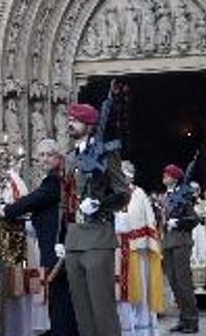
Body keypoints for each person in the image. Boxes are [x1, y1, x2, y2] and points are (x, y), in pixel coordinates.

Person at [60, 102, 129, 336]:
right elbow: (65, 200)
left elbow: (123, 194)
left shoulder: (107, 154)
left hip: (98, 236)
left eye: (76, 120)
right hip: (74, 238)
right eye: (70, 118)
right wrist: (62, 237)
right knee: (82, 310)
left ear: (89, 125)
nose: (71, 123)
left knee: (102, 309)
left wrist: (100, 204)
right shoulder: (70, 158)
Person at [3, 139, 79, 336]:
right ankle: (59, 330)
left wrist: (7, 210)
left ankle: (62, 332)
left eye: (48, 155)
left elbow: (31, 201)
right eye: (41, 155)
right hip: (52, 245)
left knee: (60, 294)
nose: (44, 159)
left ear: (58, 157)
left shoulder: (54, 181)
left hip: (56, 245)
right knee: (58, 294)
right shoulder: (55, 179)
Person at [114, 161, 163, 336]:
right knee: (118, 296)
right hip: (115, 253)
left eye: (125, 174)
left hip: (136, 252)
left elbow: (148, 222)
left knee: (139, 294)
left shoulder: (139, 194)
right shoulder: (111, 194)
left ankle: (142, 330)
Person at [161, 164, 200, 333]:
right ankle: (183, 318)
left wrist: (178, 222)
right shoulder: (165, 197)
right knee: (174, 282)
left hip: (181, 241)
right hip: (168, 242)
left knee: (183, 282)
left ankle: (192, 320)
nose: (164, 176)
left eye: (167, 174)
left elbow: (194, 219)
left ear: (175, 178)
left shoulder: (184, 195)